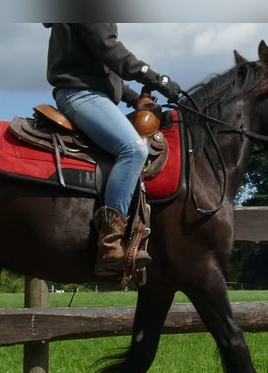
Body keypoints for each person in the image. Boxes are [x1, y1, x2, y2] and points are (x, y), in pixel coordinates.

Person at [43, 23, 181, 276]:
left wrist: (133, 98)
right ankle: (110, 244)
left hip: (93, 95)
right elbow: (110, 50)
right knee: (134, 150)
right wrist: (155, 77)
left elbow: (103, 68)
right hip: (82, 96)